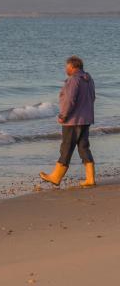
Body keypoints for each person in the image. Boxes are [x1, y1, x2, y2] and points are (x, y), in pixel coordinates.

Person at [40, 55, 96, 187]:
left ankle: (56, 177)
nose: (66, 69)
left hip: (73, 120)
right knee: (83, 147)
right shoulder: (88, 79)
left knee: (66, 147)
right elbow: (93, 97)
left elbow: (69, 100)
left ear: (72, 66)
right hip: (86, 118)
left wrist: (63, 116)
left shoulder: (73, 79)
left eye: (67, 66)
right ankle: (90, 179)